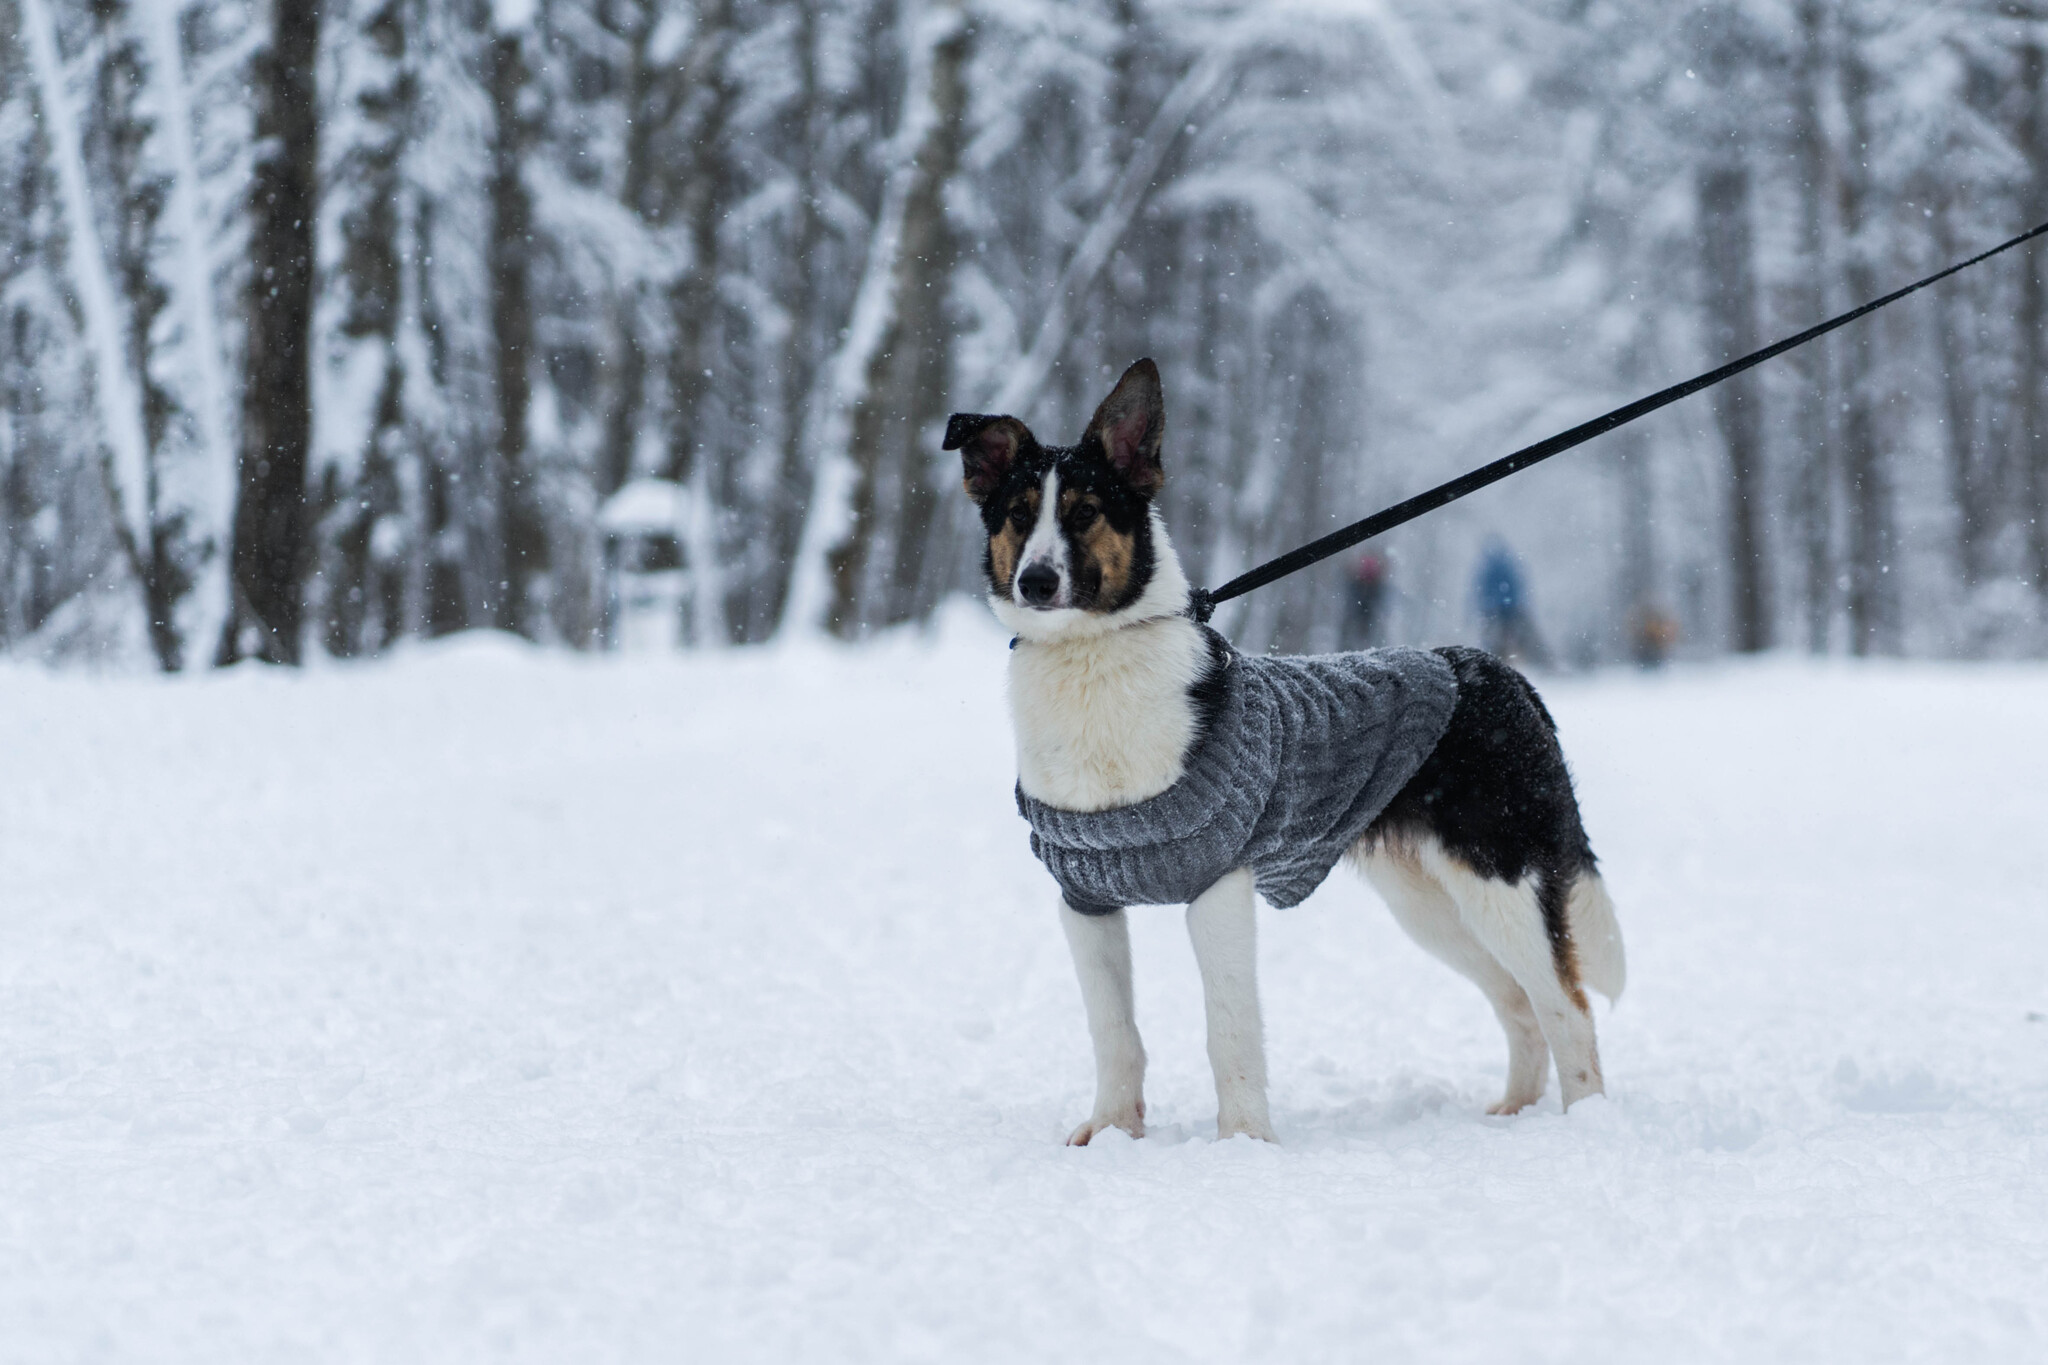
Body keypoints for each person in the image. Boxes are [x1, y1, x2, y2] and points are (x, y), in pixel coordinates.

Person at [1473, 538, 1548, 665]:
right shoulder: (1509, 565)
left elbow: (1478, 590)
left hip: (1493, 610)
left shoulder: (1486, 568)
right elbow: (1518, 585)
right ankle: (1540, 663)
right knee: (1522, 638)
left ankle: (1494, 663)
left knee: (1493, 641)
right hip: (1510, 609)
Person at [1346, 551, 1388, 649]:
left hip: (1364, 612)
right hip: (1365, 612)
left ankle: (1362, 645)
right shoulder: (1374, 586)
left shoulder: (1357, 585)